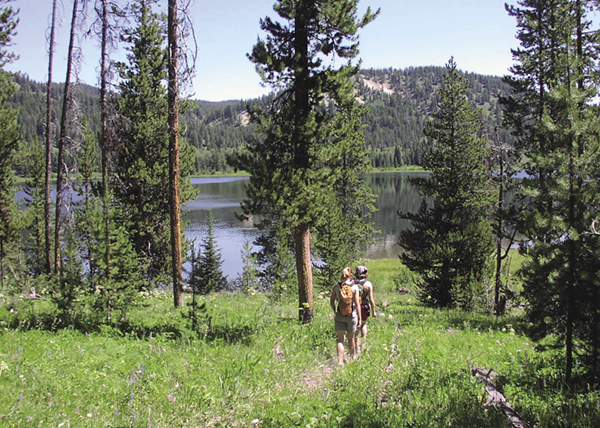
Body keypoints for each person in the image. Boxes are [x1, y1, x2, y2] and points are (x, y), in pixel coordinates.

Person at [330, 266, 361, 366]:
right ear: (350, 274)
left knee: (340, 340)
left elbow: (331, 301)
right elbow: (357, 304)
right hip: (351, 316)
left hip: (339, 315)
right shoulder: (354, 287)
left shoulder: (336, 287)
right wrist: (359, 318)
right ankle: (352, 359)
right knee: (351, 339)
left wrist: (335, 310)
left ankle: (339, 361)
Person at [354, 265, 376, 353]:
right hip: (364, 306)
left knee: (355, 326)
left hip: (354, 306)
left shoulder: (352, 283)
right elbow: (371, 299)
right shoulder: (368, 284)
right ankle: (363, 343)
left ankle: (355, 345)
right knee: (363, 324)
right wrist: (373, 310)